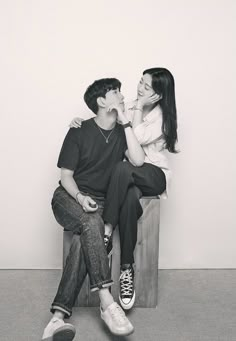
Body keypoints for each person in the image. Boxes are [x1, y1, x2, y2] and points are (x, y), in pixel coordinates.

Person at [42, 78, 145, 341]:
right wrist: (79, 196)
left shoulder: (123, 131)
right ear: (101, 101)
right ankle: (107, 302)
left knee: (83, 237)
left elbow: (137, 160)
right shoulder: (78, 130)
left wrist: (126, 120)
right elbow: (66, 175)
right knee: (90, 222)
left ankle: (56, 319)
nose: (122, 95)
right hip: (69, 196)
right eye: (115, 92)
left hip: (100, 204)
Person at [70, 67, 178, 311]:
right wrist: (81, 123)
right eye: (141, 82)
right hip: (129, 178)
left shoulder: (162, 117)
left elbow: (135, 139)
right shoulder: (128, 105)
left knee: (122, 168)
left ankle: (106, 231)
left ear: (159, 95)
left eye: (147, 87)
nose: (140, 88)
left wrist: (136, 108)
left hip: (153, 175)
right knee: (128, 199)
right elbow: (107, 121)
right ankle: (127, 269)